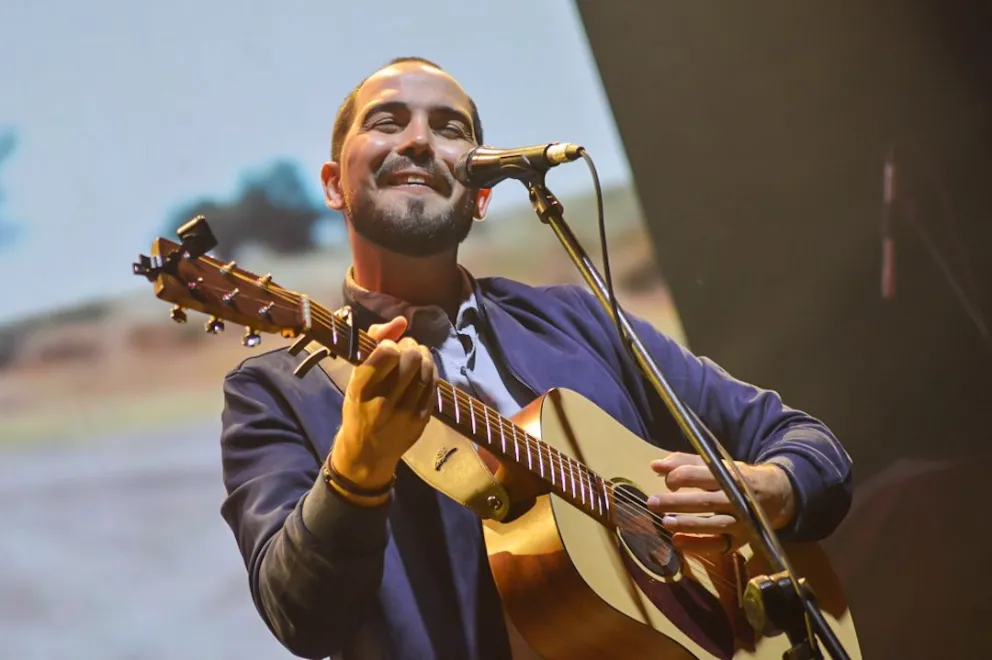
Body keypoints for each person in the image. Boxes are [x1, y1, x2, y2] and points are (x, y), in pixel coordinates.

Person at [218, 56, 854, 660]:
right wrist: (357, 466)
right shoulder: (277, 392)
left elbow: (805, 443)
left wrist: (773, 488)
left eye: (449, 129)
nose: (418, 141)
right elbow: (299, 614)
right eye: (388, 121)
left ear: (483, 195)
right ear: (333, 185)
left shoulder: (577, 318)